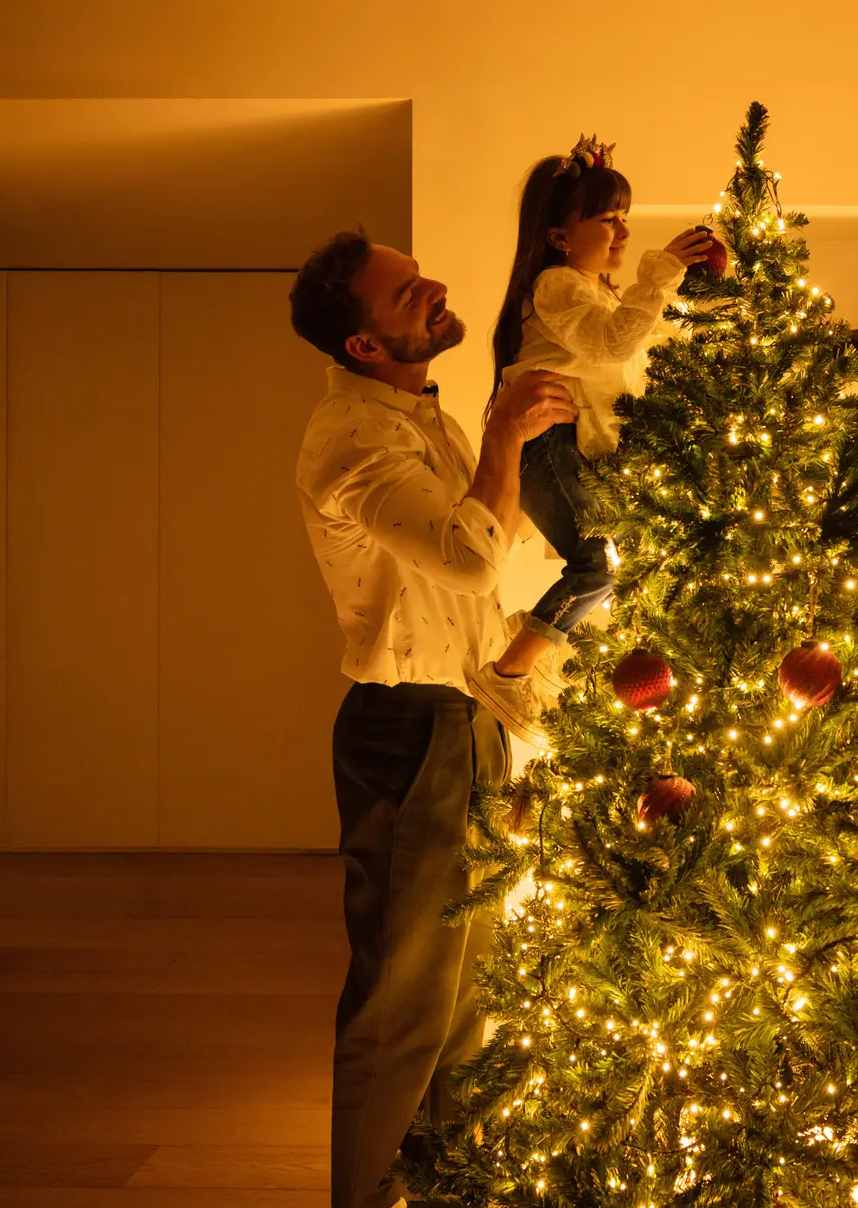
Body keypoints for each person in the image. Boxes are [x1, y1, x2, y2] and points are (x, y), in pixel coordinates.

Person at [289, 230, 576, 1208]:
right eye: (407, 293)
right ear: (364, 345)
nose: (434, 287)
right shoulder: (353, 440)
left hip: (464, 725)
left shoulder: (419, 416)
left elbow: (489, 550)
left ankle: (447, 1192)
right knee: (402, 1008)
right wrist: (503, 433)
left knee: (468, 1007)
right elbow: (464, 556)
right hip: (410, 738)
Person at [474, 134, 717, 744]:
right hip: (546, 446)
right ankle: (508, 671)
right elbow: (613, 343)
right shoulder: (558, 286)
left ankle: (535, 645)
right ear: (559, 237)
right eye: (607, 220)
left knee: (606, 566)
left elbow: (634, 352)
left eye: (625, 219)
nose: (623, 232)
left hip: (576, 449)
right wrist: (663, 272)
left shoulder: (600, 295)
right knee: (596, 568)